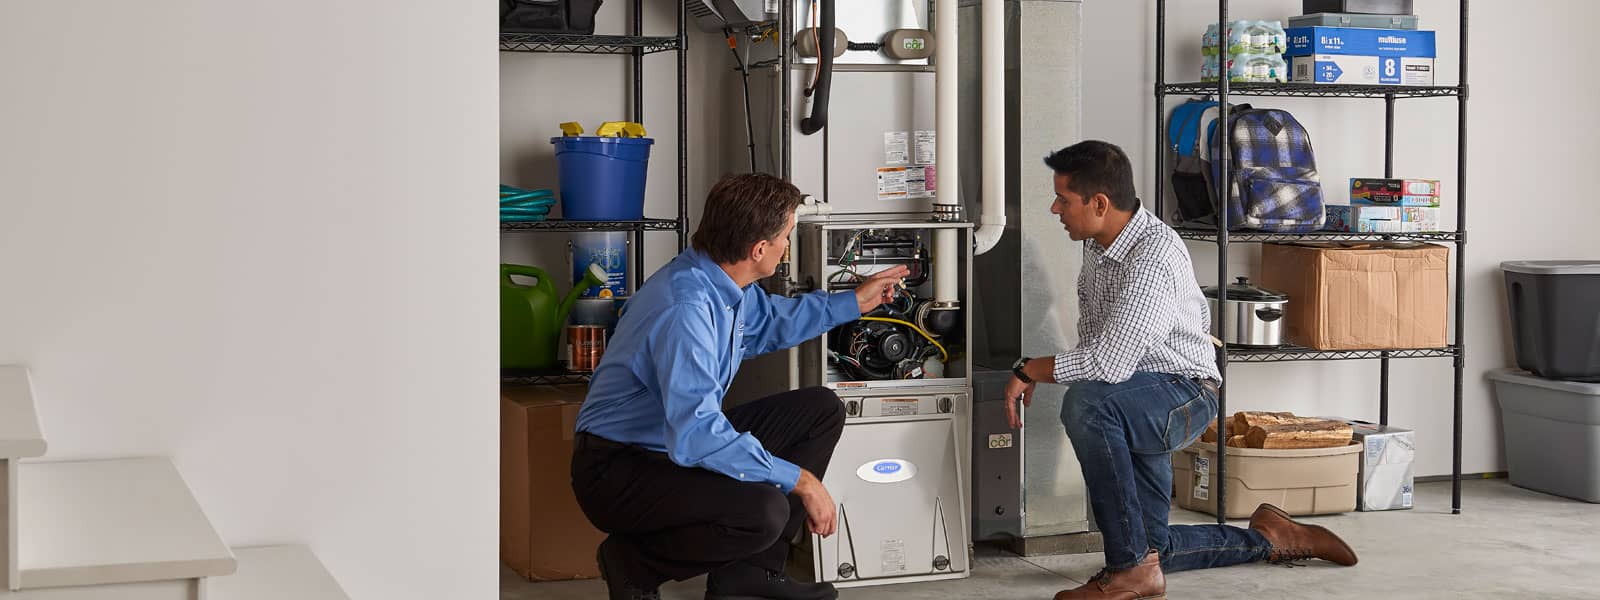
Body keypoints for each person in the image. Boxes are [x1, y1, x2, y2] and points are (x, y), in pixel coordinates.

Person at [1003, 141, 1359, 600]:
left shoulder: (1152, 256)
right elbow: (1103, 350)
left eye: (1063, 200)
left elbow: (1108, 361)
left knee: (1087, 406)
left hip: (1183, 393)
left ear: (1099, 203)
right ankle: (1274, 538)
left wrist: (1031, 369)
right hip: (1133, 395)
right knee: (1156, 548)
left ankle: (1129, 571)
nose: (1055, 208)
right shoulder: (1098, 244)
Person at [570, 173, 909, 600]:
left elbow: (770, 322)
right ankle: (634, 563)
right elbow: (695, 436)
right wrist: (800, 480)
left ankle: (749, 573)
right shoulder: (685, 310)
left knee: (820, 409)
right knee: (761, 511)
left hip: (667, 444)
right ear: (759, 249)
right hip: (620, 470)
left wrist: (854, 302)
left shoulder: (721, 282)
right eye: (787, 236)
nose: (787, 246)